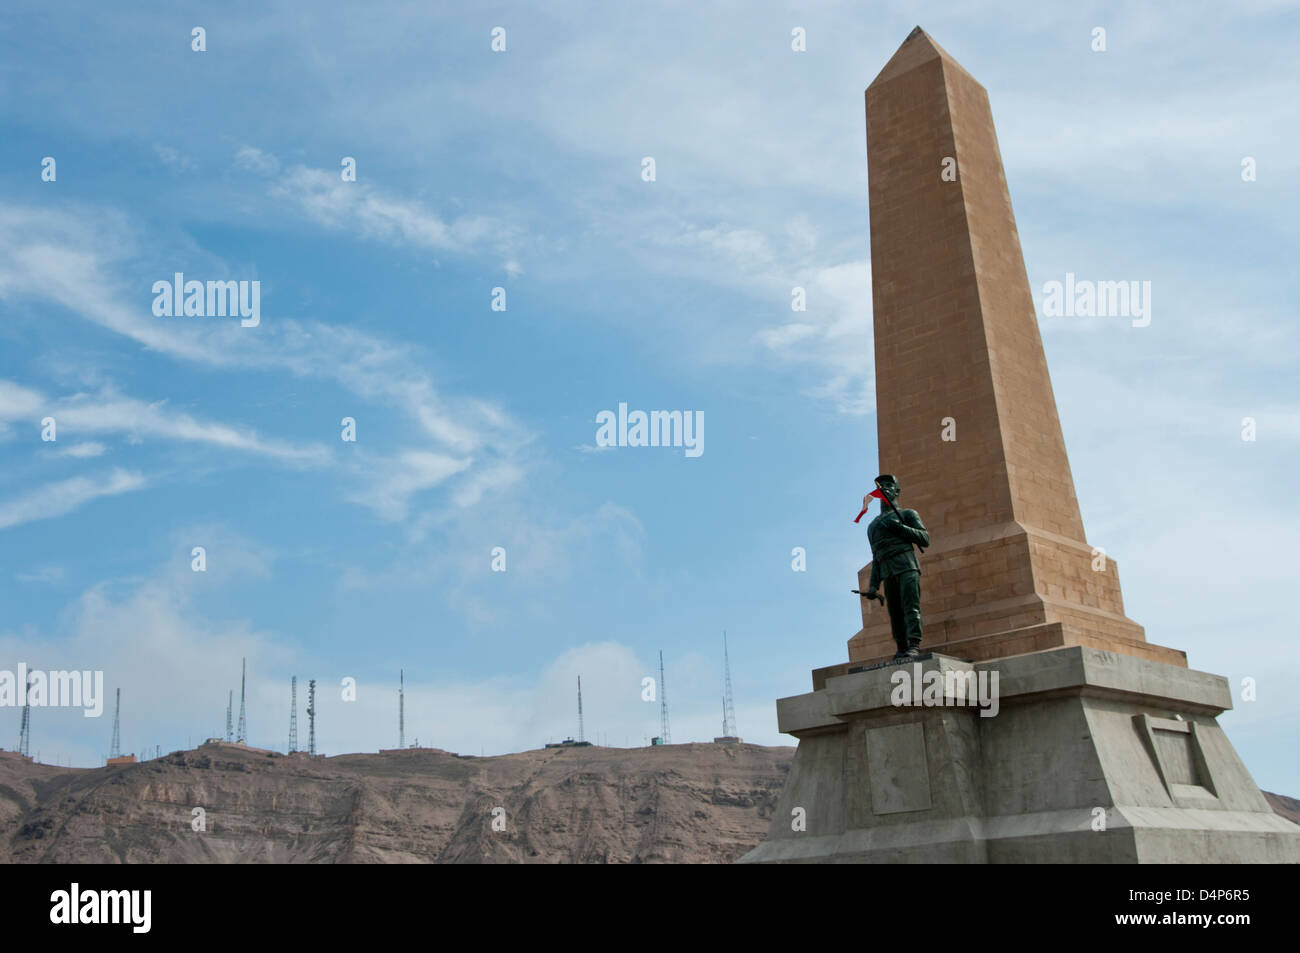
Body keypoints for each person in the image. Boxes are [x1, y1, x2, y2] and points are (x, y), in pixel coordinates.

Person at [863, 474, 930, 659]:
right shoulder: (873, 526)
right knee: (895, 613)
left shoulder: (907, 514)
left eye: (889, 485)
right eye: (881, 485)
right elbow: (876, 557)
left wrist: (900, 528)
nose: (884, 488)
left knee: (911, 607)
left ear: (897, 491)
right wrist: (873, 585)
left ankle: (914, 644)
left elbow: (925, 539)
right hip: (887, 569)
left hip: (906, 565)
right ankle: (901, 647)